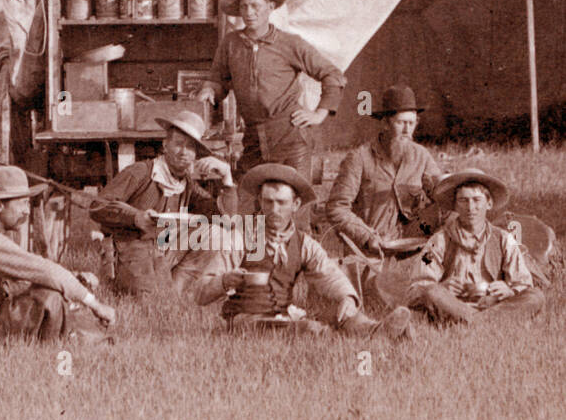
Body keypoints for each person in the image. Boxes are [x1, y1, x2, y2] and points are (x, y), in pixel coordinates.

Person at [187, 164, 413, 339]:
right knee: (308, 328)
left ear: (295, 205)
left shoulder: (304, 243)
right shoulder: (240, 238)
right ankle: (349, 335)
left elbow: (328, 274)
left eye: (281, 203)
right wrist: (225, 280)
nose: (274, 210)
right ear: (260, 203)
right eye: (268, 202)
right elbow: (199, 294)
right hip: (244, 321)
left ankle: (376, 331)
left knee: (341, 313)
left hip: (284, 315)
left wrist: (347, 297)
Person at [0, 165, 116, 341]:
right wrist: (96, 305)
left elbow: (21, 278)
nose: (26, 211)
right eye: (22, 203)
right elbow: (43, 270)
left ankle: (84, 338)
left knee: (50, 291)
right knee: (49, 298)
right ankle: (69, 343)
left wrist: (73, 278)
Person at [197, 0, 345, 191]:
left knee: (293, 204)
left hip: (290, 137)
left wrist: (319, 114)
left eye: (255, 6)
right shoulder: (230, 44)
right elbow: (218, 80)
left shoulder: (290, 43)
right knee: (248, 201)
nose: (249, 13)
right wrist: (210, 89)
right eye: (244, 6)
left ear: (270, 6)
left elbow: (333, 75)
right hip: (253, 139)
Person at [88, 109, 236, 297]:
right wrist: (135, 218)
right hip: (130, 247)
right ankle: (144, 287)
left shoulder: (187, 184)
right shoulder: (141, 172)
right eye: (178, 144)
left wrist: (227, 179)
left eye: (190, 148)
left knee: (217, 235)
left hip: (163, 249)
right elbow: (97, 206)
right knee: (146, 298)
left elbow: (227, 221)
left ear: (196, 155)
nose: (184, 152)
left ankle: (176, 290)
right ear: (165, 145)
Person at [323, 85, 442, 300]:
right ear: (385, 123)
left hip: (412, 249)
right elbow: (336, 207)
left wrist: (439, 191)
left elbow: (442, 194)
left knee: (432, 277)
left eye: (412, 123)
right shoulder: (359, 159)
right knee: (382, 291)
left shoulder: (421, 156)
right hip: (369, 252)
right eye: (400, 123)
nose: (407, 130)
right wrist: (367, 236)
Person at [406, 170, 544, 326]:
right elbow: (415, 290)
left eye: (477, 200)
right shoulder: (438, 241)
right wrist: (443, 287)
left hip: (495, 305)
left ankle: (474, 323)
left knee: (535, 296)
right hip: (453, 307)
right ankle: (485, 324)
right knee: (432, 292)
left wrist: (509, 290)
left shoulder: (504, 239)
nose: (470, 207)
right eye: (463, 201)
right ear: (455, 205)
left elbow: (523, 283)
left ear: (489, 203)